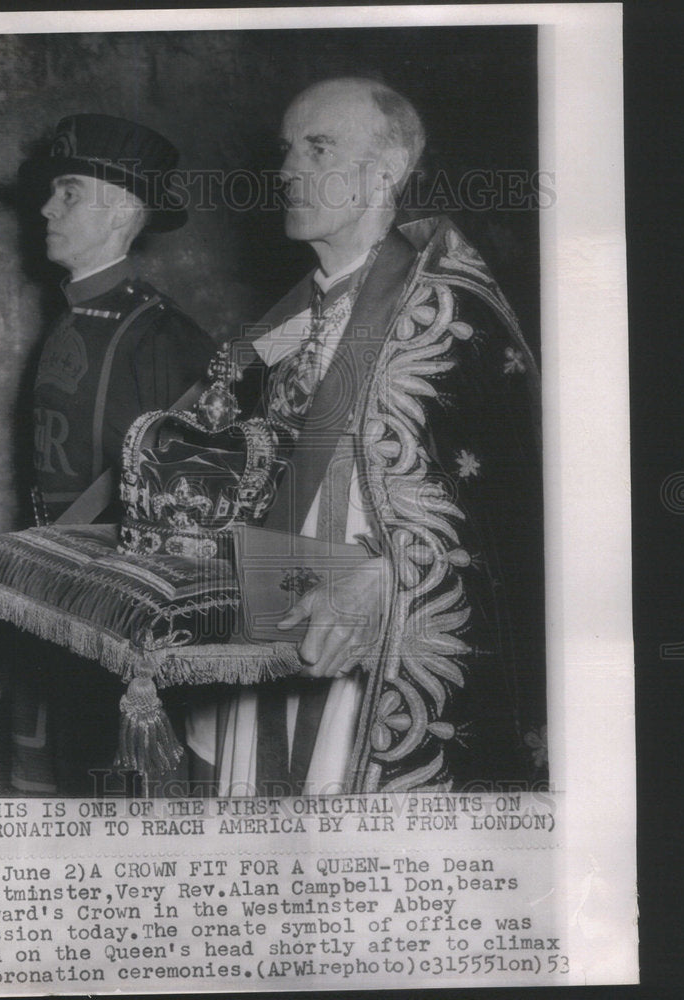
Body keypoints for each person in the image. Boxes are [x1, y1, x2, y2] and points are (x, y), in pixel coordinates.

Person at [184, 77, 546, 796]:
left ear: (386, 171)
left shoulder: (450, 317)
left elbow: (516, 519)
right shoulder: (287, 321)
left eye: (318, 148)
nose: (287, 169)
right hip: (275, 618)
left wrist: (387, 587)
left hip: (376, 658)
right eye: (288, 149)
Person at [10, 114, 215, 793]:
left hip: (122, 629)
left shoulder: (161, 338)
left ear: (122, 209)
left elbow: (189, 521)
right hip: (60, 604)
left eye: (68, 192)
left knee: (124, 799)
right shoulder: (73, 316)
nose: (46, 208)